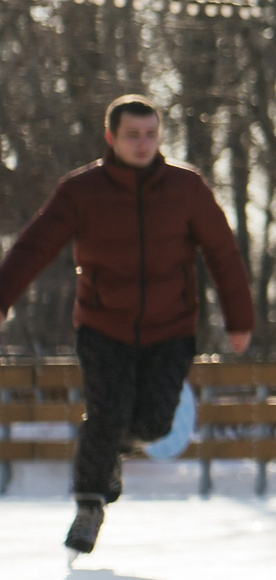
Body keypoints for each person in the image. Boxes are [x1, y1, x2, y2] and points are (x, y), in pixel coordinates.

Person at [0, 96, 256, 556]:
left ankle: (109, 449)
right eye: (132, 135)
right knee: (105, 412)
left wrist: (239, 318)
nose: (142, 144)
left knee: (155, 423)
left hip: (171, 327)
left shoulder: (186, 188)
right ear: (111, 138)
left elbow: (223, 253)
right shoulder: (82, 191)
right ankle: (89, 507)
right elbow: (34, 246)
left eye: (150, 135)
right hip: (103, 325)